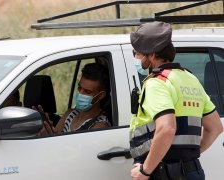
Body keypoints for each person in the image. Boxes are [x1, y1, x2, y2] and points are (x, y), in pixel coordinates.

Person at [129, 21, 223, 180]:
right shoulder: (190, 78)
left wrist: (145, 171)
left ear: (152, 54)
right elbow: (215, 127)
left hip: (164, 173)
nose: (136, 57)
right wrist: (189, 155)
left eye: (137, 53)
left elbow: (166, 128)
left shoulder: (157, 83)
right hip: (192, 171)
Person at [38, 63, 111, 135]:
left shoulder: (100, 127)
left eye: (87, 92)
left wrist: (50, 139)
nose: (80, 93)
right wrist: (48, 131)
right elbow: (56, 138)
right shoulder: (70, 114)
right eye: (79, 88)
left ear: (100, 95)